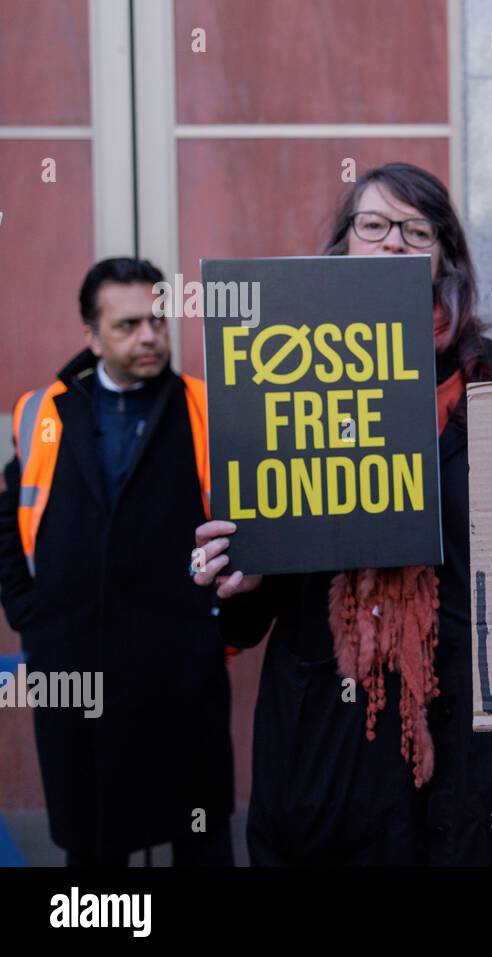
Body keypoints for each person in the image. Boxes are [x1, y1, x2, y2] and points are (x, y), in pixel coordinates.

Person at [192, 163, 492, 866]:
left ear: (444, 256)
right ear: (344, 245)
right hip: (336, 747)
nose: (391, 244)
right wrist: (239, 574)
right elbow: (249, 613)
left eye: (416, 231)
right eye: (373, 226)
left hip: (482, 750)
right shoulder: (275, 377)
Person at [0, 257, 234, 866]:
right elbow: (9, 513)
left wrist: (216, 619)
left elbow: (246, 525)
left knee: (198, 834)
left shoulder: (206, 410)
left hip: (179, 666)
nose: (150, 336)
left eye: (158, 319)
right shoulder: (43, 413)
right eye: (128, 324)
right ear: (92, 334)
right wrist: (31, 614)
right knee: (93, 844)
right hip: (76, 663)